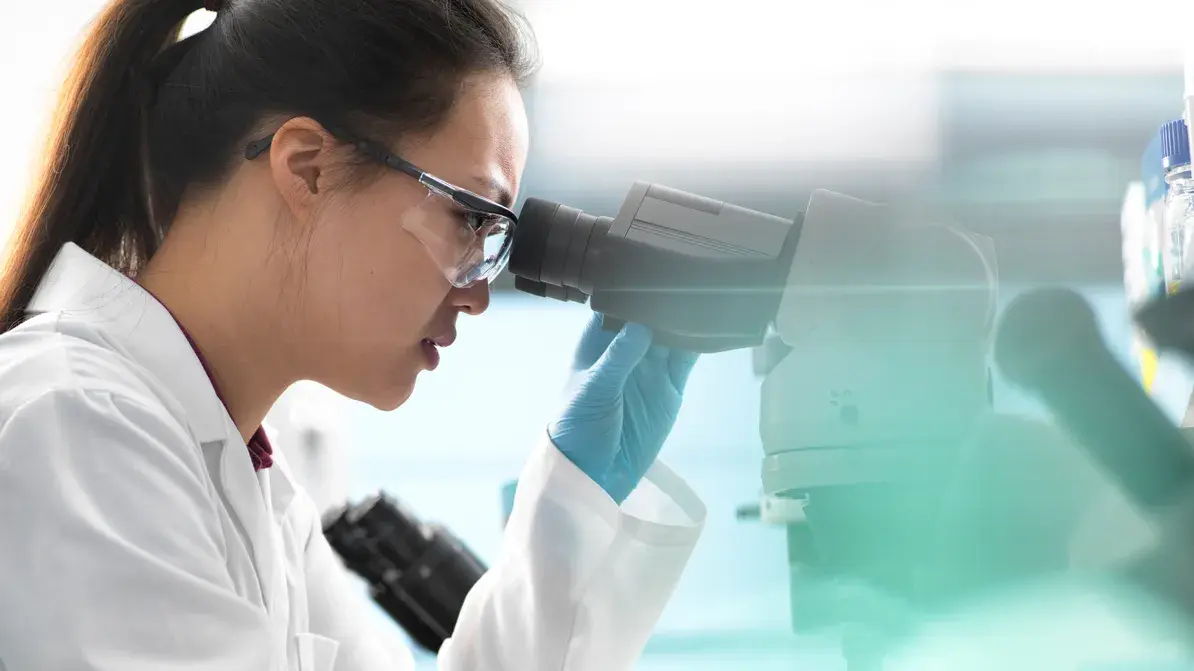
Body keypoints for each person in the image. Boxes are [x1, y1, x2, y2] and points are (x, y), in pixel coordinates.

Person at [0, 1, 705, 670]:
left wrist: (577, 496)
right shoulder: (78, 426)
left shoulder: (265, 503)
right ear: (308, 168)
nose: (479, 293)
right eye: (469, 219)